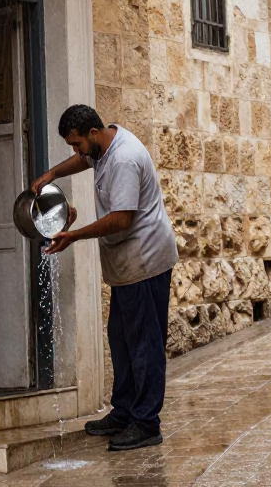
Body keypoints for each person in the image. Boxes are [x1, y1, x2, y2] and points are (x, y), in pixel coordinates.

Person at [33, 104, 177, 451]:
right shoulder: (103, 145)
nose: (76, 151)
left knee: (144, 345)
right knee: (122, 340)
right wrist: (51, 175)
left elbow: (122, 219)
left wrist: (73, 235)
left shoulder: (125, 159)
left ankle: (146, 423)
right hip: (126, 266)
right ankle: (125, 410)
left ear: (93, 134)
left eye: (77, 143)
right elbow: (84, 161)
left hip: (144, 260)